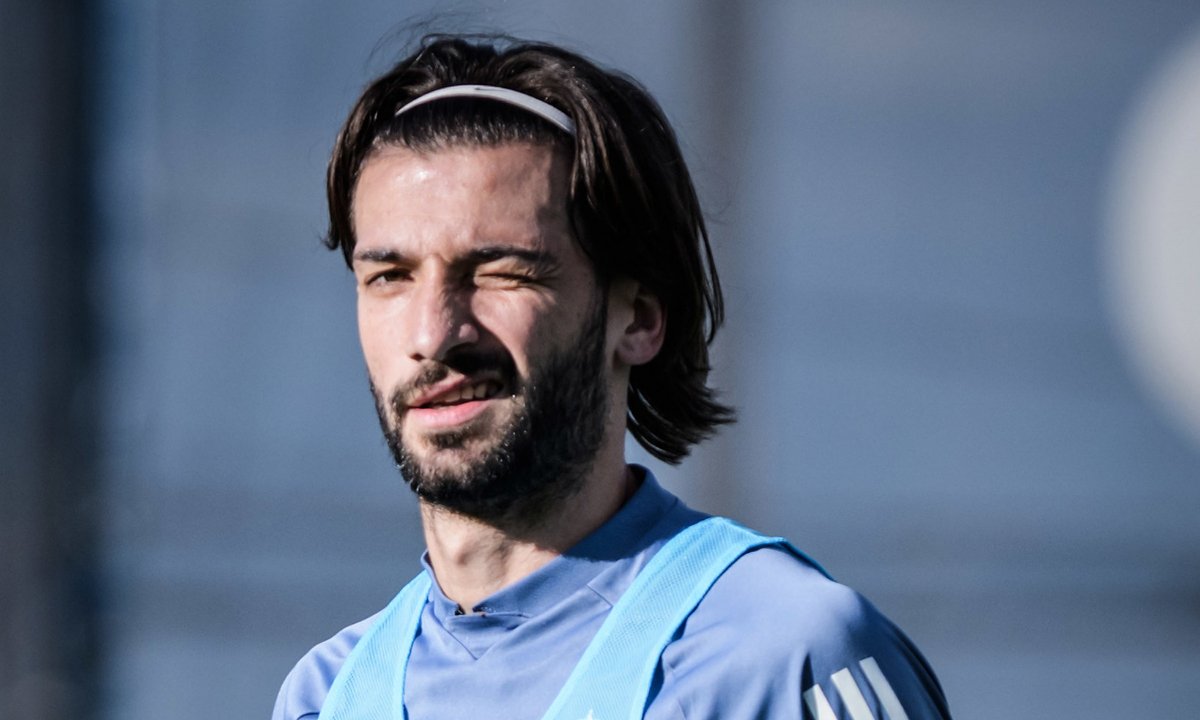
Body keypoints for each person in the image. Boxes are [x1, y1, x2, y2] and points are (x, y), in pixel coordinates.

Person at [273, 34, 951, 720]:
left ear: (640, 318)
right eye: (390, 277)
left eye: (500, 272)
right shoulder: (325, 695)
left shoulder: (789, 655)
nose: (432, 336)